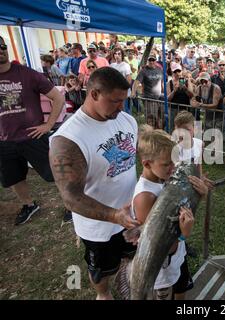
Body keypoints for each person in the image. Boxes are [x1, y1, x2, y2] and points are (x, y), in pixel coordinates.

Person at [49, 67, 141, 300]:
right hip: (99, 227)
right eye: (115, 101)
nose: (121, 107)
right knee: (101, 269)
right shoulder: (68, 140)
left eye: (124, 100)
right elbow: (71, 197)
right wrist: (114, 216)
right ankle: (103, 295)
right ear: (94, 94)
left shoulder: (126, 119)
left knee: (132, 257)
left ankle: (129, 284)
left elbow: (132, 157)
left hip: (131, 215)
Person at [126, 126, 208, 299]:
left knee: (181, 287)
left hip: (177, 258)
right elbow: (161, 245)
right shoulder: (145, 197)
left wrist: (199, 194)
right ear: (147, 164)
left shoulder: (163, 178)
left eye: (174, 161)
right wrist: (184, 235)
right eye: (167, 164)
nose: (173, 167)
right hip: (160, 271)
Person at [0, 35, 65, 225]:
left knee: (55, 173)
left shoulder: (26, 73)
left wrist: (48, 125)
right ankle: (29, 205)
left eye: (3, 46)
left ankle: (71, 205)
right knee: (14, 177)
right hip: (4, 140)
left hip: (32, 136)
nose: (1, 50)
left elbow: (58, 98)